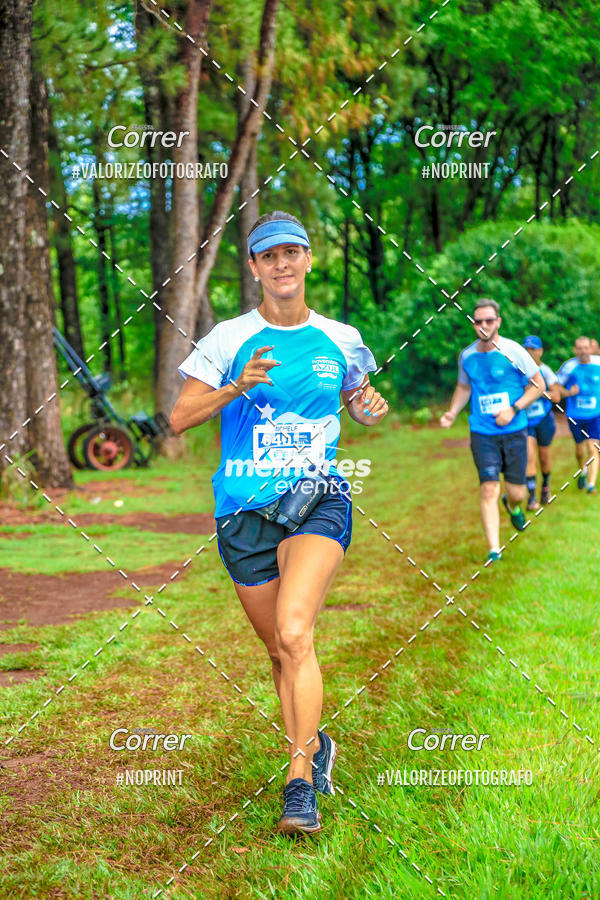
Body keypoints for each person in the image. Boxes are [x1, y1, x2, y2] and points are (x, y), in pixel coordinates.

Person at [169, 211, 387, 836]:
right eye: (270, 255)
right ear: (255, 267)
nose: (283, 263)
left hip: (317, 497)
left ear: (309, 259)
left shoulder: (341, 337)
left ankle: (299, 781)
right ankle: (317, 745)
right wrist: (236, 387)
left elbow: (357, 399)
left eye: (293, 251)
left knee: (296, 633)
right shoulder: (228, 337)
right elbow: (181, 419)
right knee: (278, 650)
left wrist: (367, 410)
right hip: (243, 512)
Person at [440, 300, 544, 562]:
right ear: (474, 324)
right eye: (478, 321)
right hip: (482, 432)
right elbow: (464, 387)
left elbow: (538, 385)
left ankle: (513, 506)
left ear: (498, 322)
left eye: (489, 320)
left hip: (515, 430)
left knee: (517, 492)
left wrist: (514, 408)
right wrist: (452, 411)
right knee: (488, 488)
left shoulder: (514, 351)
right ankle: (494, 549)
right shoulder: (467, 356)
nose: (483, 326)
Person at [556, 336, 600, 495]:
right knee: (580, 449)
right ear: (575, 350)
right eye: (579, 348)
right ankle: (582, 470)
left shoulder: (598, 363)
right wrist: (568, 392)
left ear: (591, 348)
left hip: (595, 414)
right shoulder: (569, 367)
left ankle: (591, 485)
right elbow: (556, 387)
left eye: (586, 348)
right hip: (575, 415)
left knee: (592, 447)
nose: (583, 351)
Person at [521, 335, 561, 510]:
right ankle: (531, 498)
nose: (529, 352)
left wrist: (538, 391)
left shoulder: (545, 371)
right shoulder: (518, 371)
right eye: (526, 349)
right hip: (526, 420)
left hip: (544, 419)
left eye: (533, 349)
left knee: (544, 457)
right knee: (529, 457)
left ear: (540, 351)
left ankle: (545, 486)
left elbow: (557, 396)